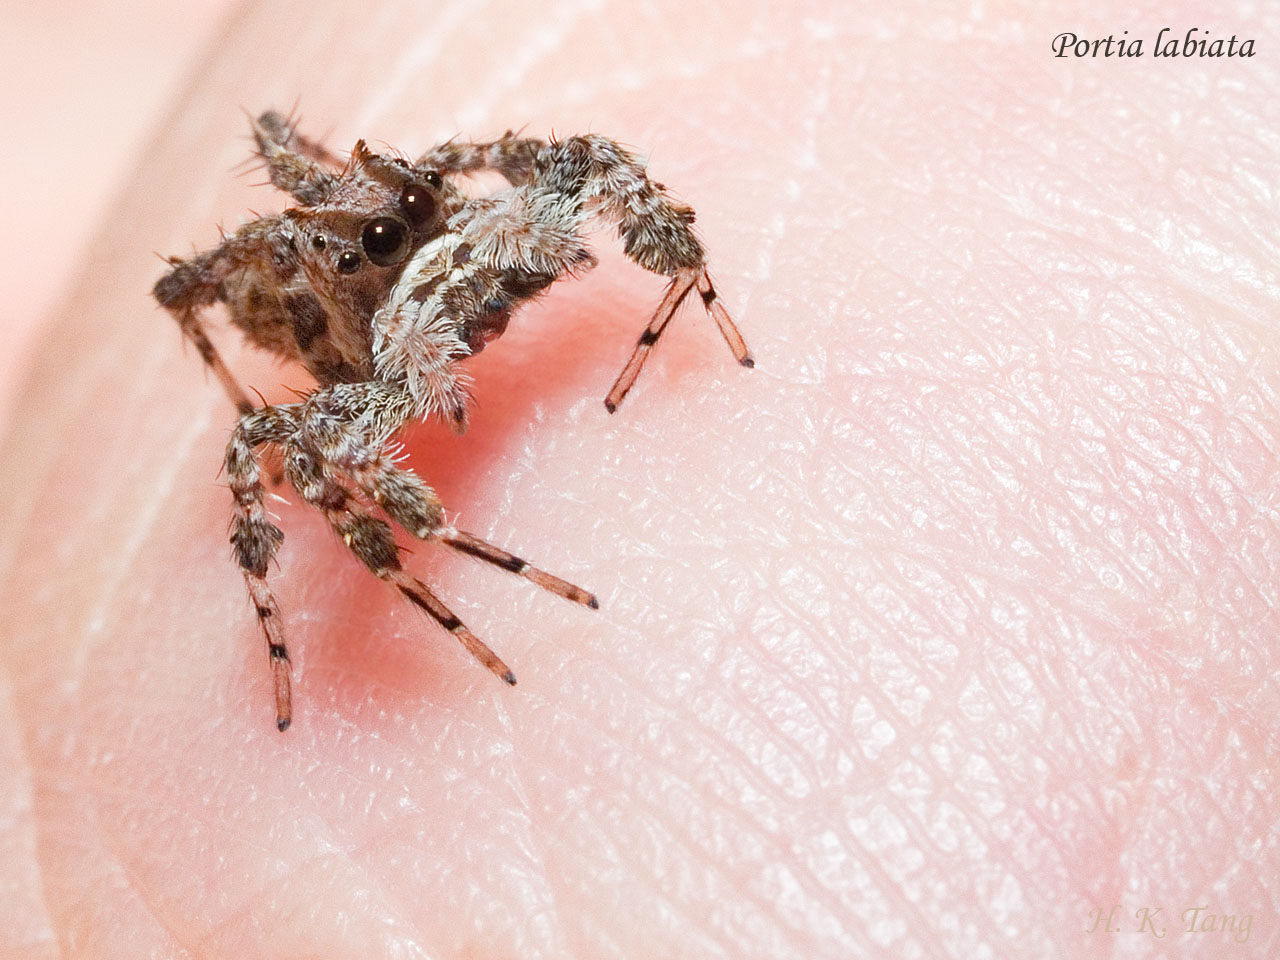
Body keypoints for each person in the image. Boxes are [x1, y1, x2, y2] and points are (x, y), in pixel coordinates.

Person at [0, 2, 1272, 957]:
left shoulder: (450, 202)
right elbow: (209, 332)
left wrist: (605, 241)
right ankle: (442, 585)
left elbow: (561, 152)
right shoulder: (330, 325)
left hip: (439, 261)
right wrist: (352, 545)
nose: (410, 238)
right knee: (262, 457)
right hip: (349, 358)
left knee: (571, 164)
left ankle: (679, 304)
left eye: (407, 216)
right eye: (385, 235)